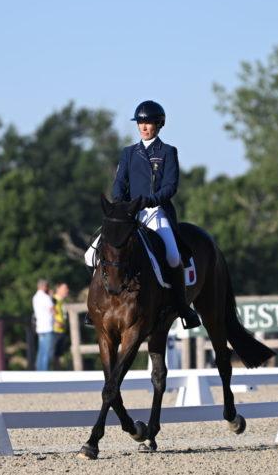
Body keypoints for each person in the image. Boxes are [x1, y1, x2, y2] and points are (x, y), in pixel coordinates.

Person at [84, 100, 200, 329]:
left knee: (174, 257)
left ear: (159, 124)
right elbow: (119, 183)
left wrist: (150, 200)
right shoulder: (129, 153)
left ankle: (181, 307)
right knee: (90, 254)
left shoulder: (167, 152)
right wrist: (120, 203)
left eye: (148, 123)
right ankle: (96, 306)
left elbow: (170, 186)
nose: (144, 127)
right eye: (140, 123)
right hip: (129, 213)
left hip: (156, 211)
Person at [32, 280, 55, 371]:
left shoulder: (35, 297)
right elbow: (52, 310)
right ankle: (44, 370)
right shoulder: (46, 297)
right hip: (47, 326)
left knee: (41, 350)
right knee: (47, 351)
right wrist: (51, 296)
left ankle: (39, 369)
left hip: (39, 326)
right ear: (43, 286)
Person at [51, 282, 71, 367]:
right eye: (65, 288)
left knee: (58, 355)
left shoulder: (61, 301)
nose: (67, 290)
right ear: (58, 289)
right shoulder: (53, 300)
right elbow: (49, 311)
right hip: (55, 330)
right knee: (53, 353)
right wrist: (55, 322)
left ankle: (57, 372)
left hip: (61, 330)